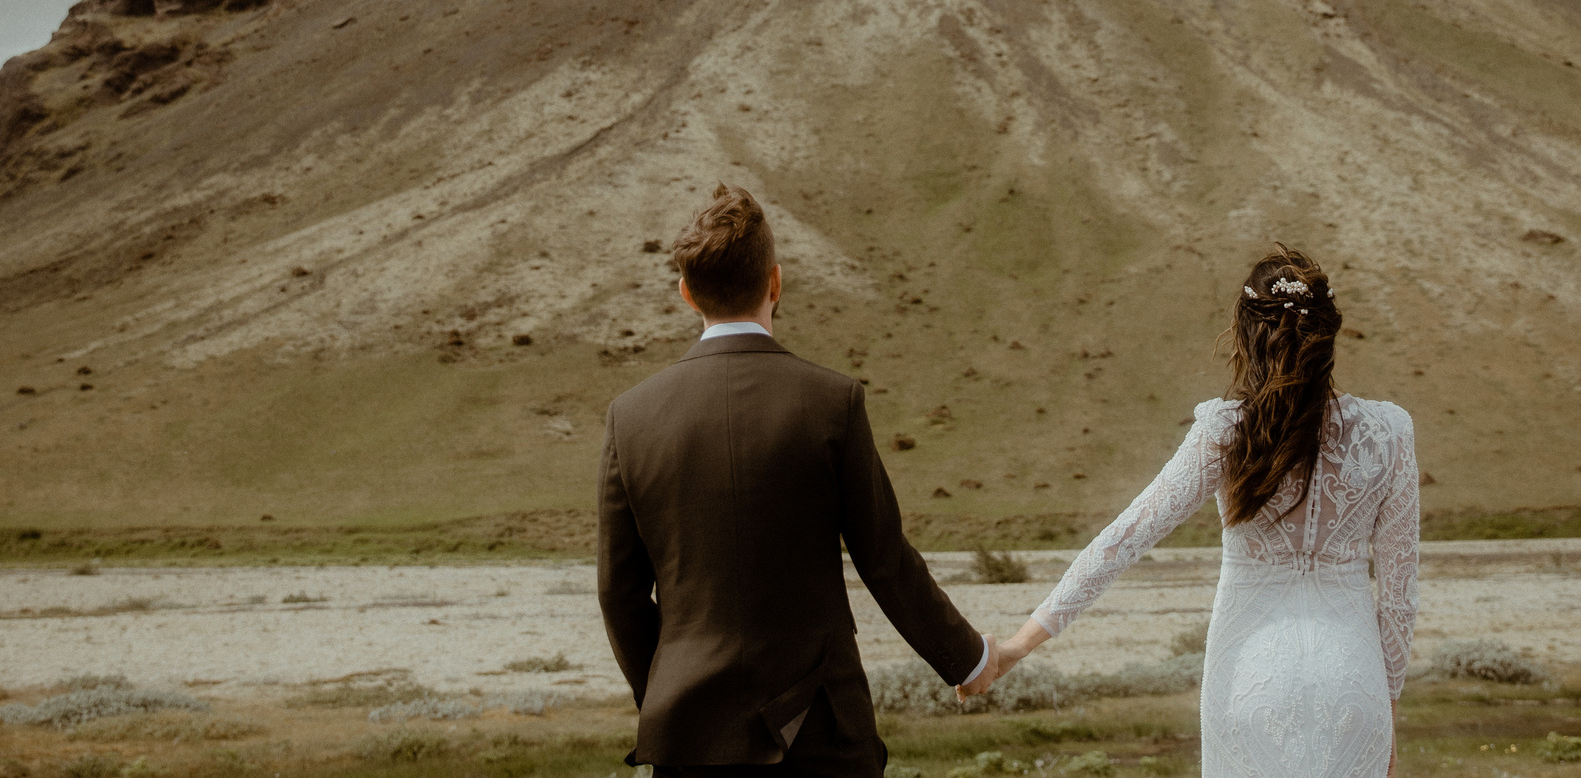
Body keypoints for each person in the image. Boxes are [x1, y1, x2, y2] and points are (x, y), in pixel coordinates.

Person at [969, 244, 1418, 778]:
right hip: (1354, 682)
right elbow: (1398, 597)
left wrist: (1020, 644)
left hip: (1250, 684)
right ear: (1328, 336)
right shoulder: (1389, 433)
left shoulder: (1225, 432)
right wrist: (1387, 714)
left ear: (1247, 332)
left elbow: (1123, 540)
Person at [597, 183, 998, 774]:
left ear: (687, 294)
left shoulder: (629, 417)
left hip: (688, 742)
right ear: (775, 284)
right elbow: (884, 559)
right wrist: (969, 660)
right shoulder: (832, 403)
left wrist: (668, 698)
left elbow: (620, 594)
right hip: (821, 736)